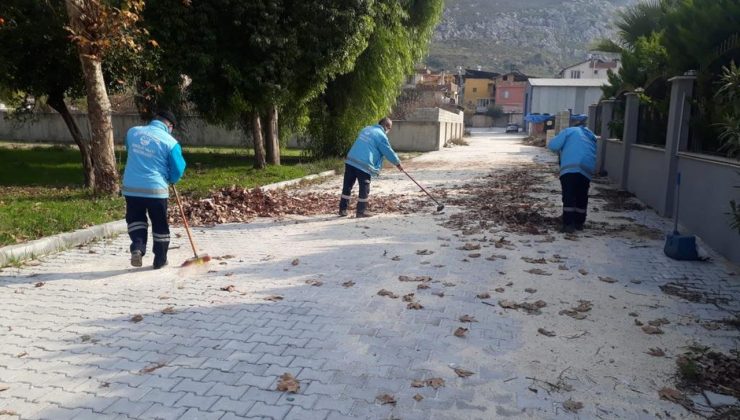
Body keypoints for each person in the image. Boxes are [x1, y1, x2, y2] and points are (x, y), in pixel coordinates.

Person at [122, 109, 186, 269]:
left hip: (132, 189)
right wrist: (172, 178)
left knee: (135, 220)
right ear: (169, 126)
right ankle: (160, 259)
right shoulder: (171, 143)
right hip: (156, 191)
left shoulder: (133, 133)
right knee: (159, 224)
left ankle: (137, 248)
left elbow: (130, 150)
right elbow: (179, 168)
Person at [339, 117, 403, 217]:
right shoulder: (381, 136)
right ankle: (361, 211)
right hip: (364, 164)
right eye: (389, 128)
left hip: (351, 160)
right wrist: (398, 163)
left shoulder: (366, 129)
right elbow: (388, 151)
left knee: (347, 185)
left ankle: (342, 209)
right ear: (386, 126)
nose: (388, 131)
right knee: (364, 188)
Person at [547, 120, 597, 233]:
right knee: (582, 195)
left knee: (569, 195)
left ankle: (568, 224)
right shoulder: (591, 135)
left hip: (570, 167)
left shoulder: (569, 131)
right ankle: (579, 223)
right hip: (587, 168)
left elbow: (553, 146)